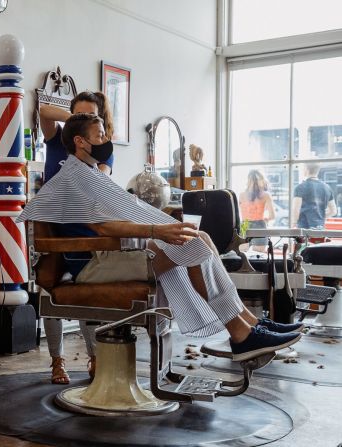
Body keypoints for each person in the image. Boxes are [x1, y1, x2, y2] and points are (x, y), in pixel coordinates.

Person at [18, 113, 303, 366]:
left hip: (110, 256)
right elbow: (102, 226)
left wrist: (163, 229)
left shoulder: (89, 173)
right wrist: (157, 231)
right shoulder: (71, 178)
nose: (106, 139)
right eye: (100, 135)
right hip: (92, 264)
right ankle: (240, 334)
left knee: (198, 236)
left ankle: (249, 324)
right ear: (80, 141)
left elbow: (116, 216)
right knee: (191, 245)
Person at [37, 91, 114, 384]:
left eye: (91, 117)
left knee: (87, 291)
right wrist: (76, 124)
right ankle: (57, 361)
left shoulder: (102, 149)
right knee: (50, 291)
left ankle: (95, 355)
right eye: (77, 113)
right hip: (53, 230)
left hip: (82, 230)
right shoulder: (57, 139)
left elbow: (102, 179)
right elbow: (44, 110)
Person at [238, 170, 275, 252]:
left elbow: (238, 214)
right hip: (259, 226)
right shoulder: (266, 195)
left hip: (244, 225)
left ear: (248, 181)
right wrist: (266, 219)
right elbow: (272, 216)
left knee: (243, 256)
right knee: (259, 257)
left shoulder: (241, 195)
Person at [292, 164, 336, 229]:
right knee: (318, 239)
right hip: (320, 228)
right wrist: (320, 217)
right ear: (318, 171)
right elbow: (333, 211)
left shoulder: (300, 187)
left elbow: (296, 210)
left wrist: (294, 223)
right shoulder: (327, 188)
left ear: (306, 169)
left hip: (304, 228)